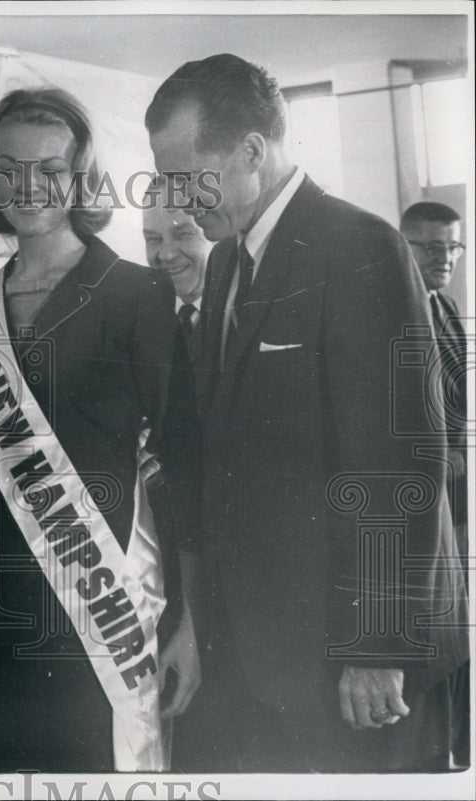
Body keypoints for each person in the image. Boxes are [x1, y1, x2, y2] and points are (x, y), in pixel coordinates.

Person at [145, 53, 468, 771]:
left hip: (360, 666)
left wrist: (377, 647)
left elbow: (398, 461)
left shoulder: (361, 246)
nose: (172, 195)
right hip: (268, 654)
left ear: (253, 150)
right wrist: (201, 619)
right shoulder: (228, 261)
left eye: (182, 174)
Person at [0, 87, 203, 772]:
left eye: (50, 168)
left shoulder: (137, 295)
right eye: (10, 167)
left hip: (104, 603)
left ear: (80, 179)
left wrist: (194, 623)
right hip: (4, 603)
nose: (28, 185)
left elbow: (186, 465)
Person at [400, 200, 470, 768]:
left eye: (452, 246)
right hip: (419, 503)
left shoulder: (444, 308)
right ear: (403, 246)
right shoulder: (391, 314)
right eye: (429, 246)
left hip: (456, 504)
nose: (443, 257)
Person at [143, 175, 213, 367]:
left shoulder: (245, 313)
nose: (166, 255)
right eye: (153, 239)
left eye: (183, 234)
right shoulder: (140, 323)